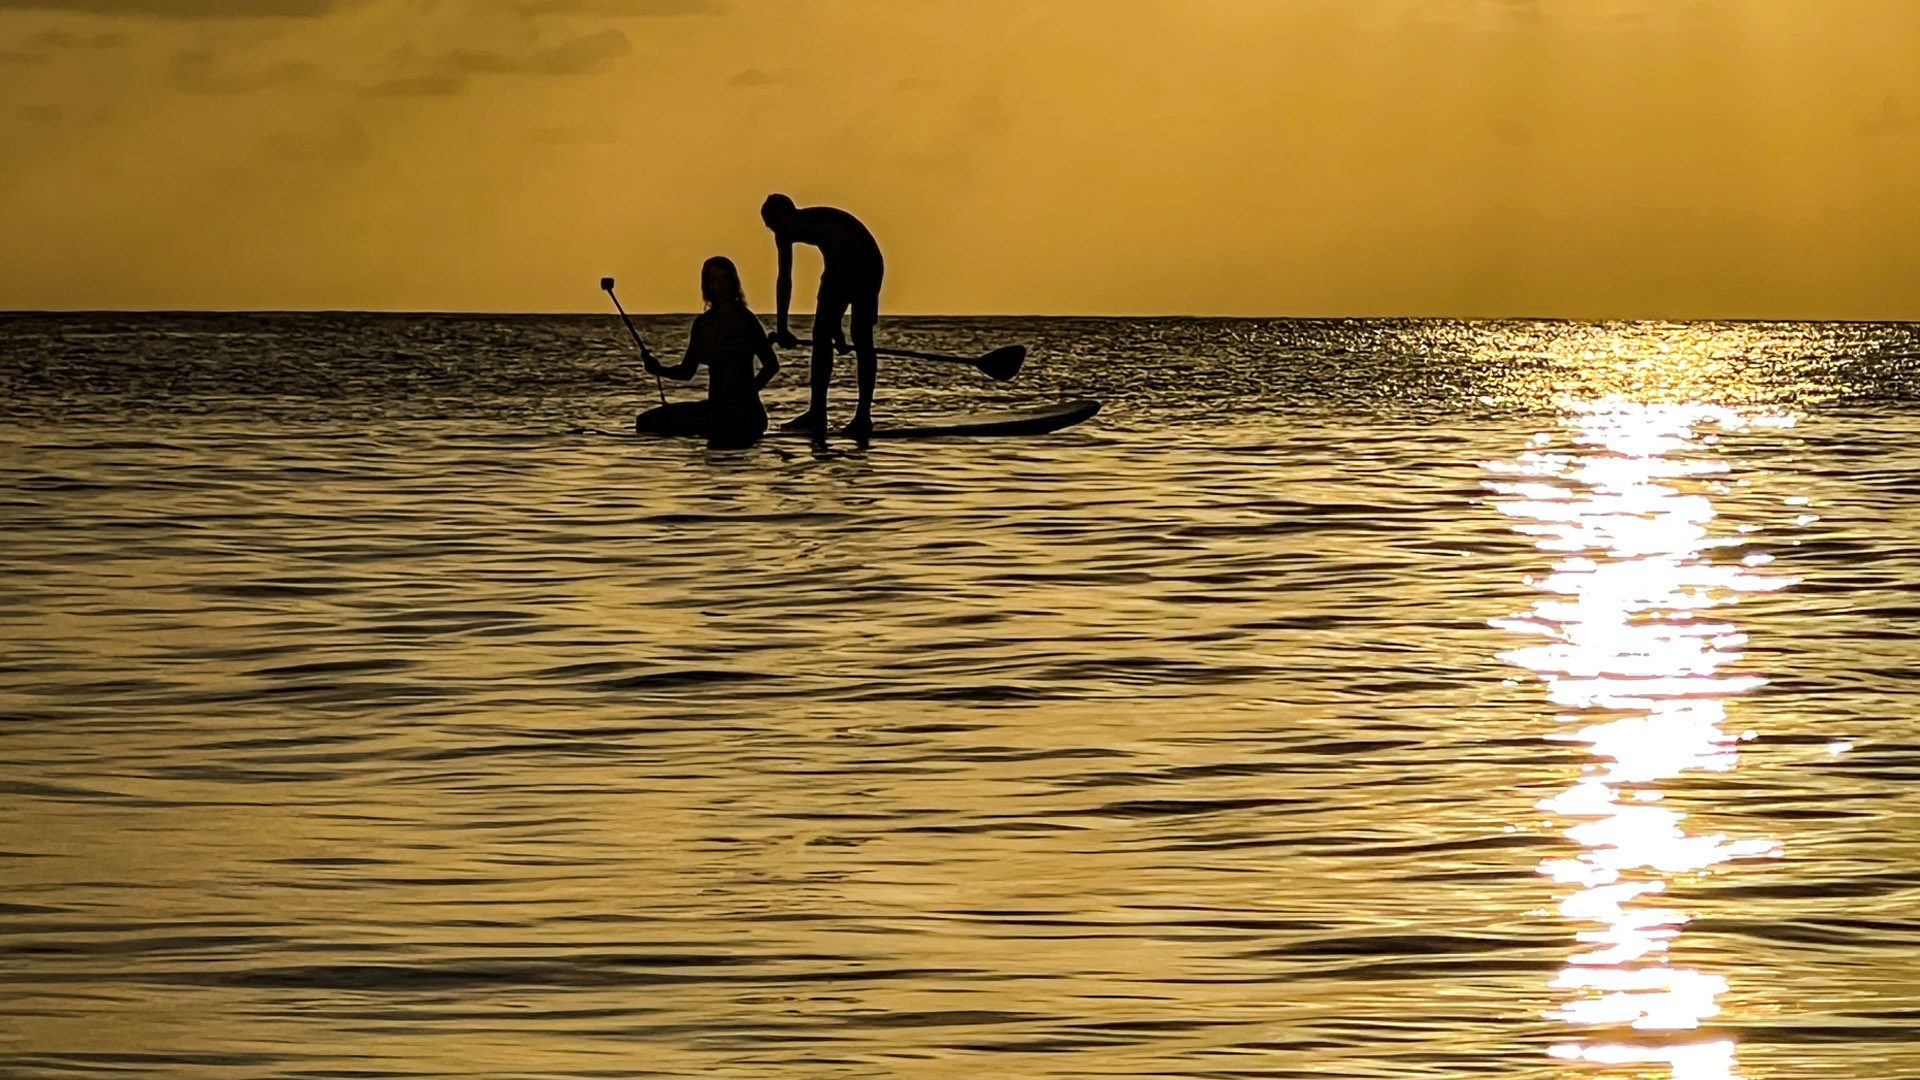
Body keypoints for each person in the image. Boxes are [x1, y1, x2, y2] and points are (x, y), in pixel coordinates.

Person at [761, 193, 884, 440]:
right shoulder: (787, 230)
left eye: (775, 226)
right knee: (821, 337)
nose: (776, 233)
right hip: (838, 268)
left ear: (786, 216)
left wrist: (835, 329)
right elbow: (784, 278)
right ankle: (817, 412)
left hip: (867, 265)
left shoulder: (819, 220)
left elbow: (838, 278)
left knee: (861, 338)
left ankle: (863, 416)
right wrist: (782, 327)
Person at [635, 256, 781, 448]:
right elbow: (687, 372)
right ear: (708, 286)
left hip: (747, 412)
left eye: (724, 278)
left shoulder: (746, 320)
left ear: (732, 282)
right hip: (716, 408)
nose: (719, 285)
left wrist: (747, 392)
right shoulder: (703, 324)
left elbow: (772, 365)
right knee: (645, 422)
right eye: (713, 280)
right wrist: (658, 369)